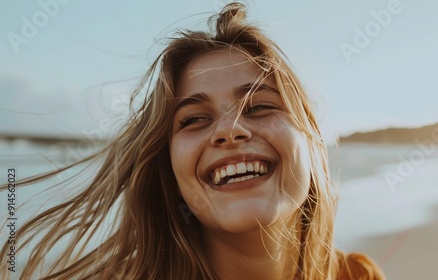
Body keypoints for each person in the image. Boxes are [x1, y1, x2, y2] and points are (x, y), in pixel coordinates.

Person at [1, 3, 385, 279]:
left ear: (310, 140)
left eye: (260, 107)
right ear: (169, 169)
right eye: (195, 119)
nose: (229, 130)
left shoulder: (358, 275)